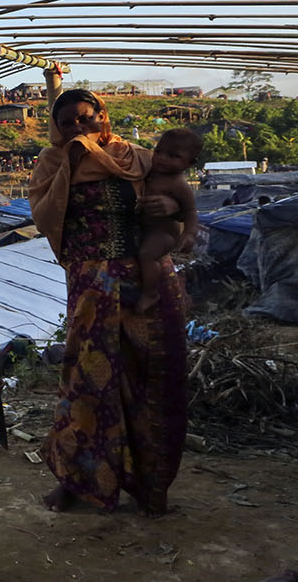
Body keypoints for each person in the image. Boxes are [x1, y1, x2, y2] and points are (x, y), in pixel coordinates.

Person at [28, 88, 187, 515]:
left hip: (147, 281)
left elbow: (178, 209)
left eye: (85, 119)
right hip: (91, 282)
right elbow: (44, 216)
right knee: (85, 383)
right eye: (68, 125)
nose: (78, 129)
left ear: (103, 114)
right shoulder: (53, 163)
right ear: (57, 131)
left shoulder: (138, 159)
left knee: (151, 382)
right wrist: (73, 161)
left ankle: (152, 486)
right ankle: (76, 481)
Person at [135, 128, 201, 313]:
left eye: (173, 156)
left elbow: (190, 212)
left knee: (147, 254)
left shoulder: (179, 185)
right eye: (158, 152)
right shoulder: (148, 171)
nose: (162, 158)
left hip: (163, 232)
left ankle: (150, 293)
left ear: (189, 163)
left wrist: (189, 234)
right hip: (145, 228)